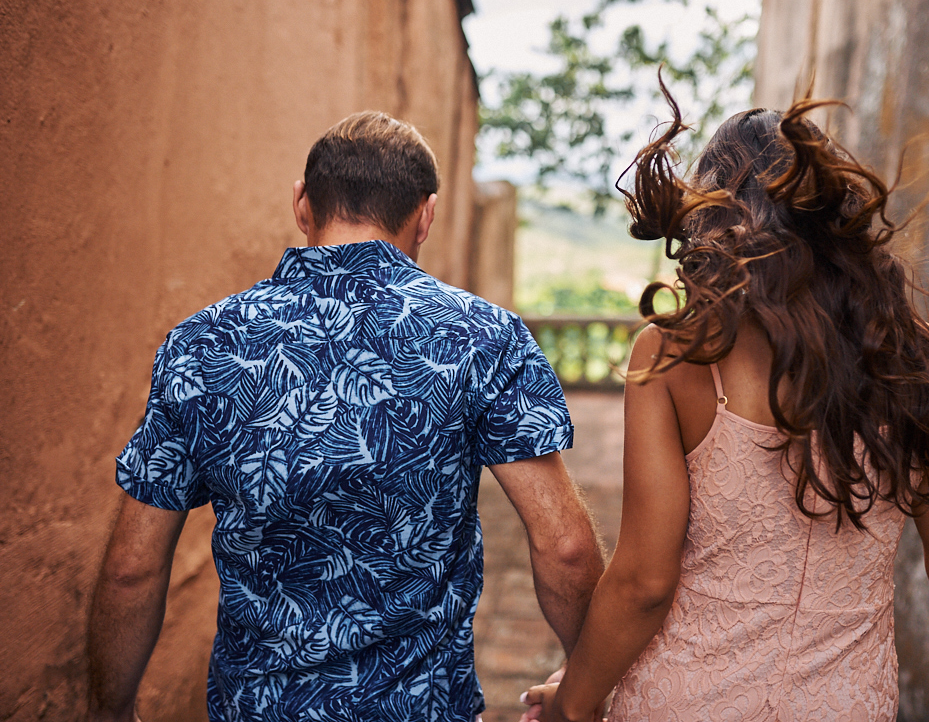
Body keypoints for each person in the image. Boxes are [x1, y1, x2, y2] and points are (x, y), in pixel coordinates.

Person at [521, 93, 929, 722]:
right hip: (845, 704)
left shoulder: (678, 354)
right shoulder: (925, 359)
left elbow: (643, 584)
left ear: (713, 218)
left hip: (680, 700)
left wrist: (575, 702)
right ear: (833, 217)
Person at [86, 111, 605, 722]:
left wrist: (109, 709)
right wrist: (586, 678)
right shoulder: (481, 338)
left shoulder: (202, 345)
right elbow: (565, 545)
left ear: (303, 205)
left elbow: (131, 570)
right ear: (427, 214)